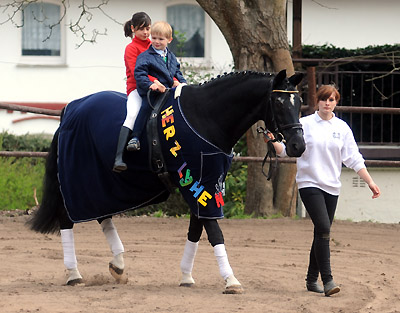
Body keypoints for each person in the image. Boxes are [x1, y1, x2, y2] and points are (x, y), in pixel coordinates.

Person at [268, 84, 381, 296]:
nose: (327, 103)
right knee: (323, 227)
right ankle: (328, 280)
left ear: (336, 102)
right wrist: (273, 141)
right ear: (317, 101)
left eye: (332, 100)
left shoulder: (342, 128)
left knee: (321, 233)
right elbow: (287, 151)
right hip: (309, 183)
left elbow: (353, 158)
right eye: (324, 99)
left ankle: (311, 280)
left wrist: (370, 182)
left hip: (332, 186)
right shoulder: (304, 124)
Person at [113, 12, 164, 172]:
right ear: (133, 29)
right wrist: (153, 81)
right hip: (137, 88)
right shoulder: (131, 48)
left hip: (158, 87)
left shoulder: (153, 45)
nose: (146, 32)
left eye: (148, 28)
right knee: (133, 114)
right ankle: (119, 158)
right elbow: (137, 71)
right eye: (142, 29)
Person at [130, 21, 186, 151]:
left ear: (169, 40)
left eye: (161, 39)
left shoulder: (171, 57)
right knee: (144, 108)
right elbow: (139, 74)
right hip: (152, 93)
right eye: (154, 38)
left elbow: (177, 72)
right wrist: (151, 84)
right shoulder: (145, 56)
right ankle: (135, 137)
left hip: (168, 92)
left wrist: (182, 84)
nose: (156, 41)